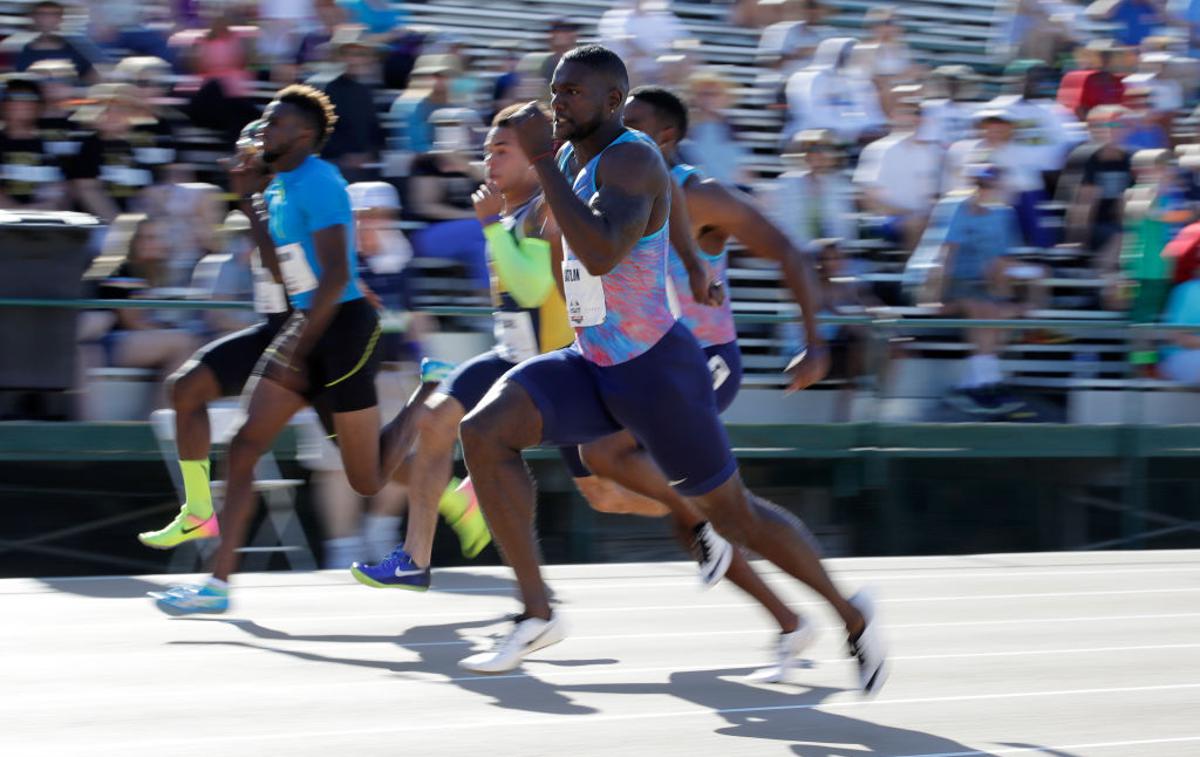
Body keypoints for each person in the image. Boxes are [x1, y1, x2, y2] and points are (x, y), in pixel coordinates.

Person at [452, 46, 887, 696]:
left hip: (658, 370)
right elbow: (604, 219)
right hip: (593, 358)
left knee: (736, 516)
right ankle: (538, 611)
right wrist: (687, 257)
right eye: (555, 89)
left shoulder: (628, 156)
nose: (558, 101)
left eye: (572, 92)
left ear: (610, 102)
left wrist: (541, 164)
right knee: (484, 431)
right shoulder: (575, 157)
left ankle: (851, 613)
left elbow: (600, 252)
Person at [574, 85, 855, 679]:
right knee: (680, 513)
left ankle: (710, 521)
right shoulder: (611, 187)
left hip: (704, 360)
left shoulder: (702, 194)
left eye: (635, 123)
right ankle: (790, 622)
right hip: (641, 360)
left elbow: (789, 253)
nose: (617, 131)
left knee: (606, 451)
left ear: (668, 135)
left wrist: (815, 342)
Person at [150, 85, 422, 614]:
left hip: (340, 329)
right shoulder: (277, 188)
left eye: (274, 124)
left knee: (365, 478)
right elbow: (282, 272)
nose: (262, 130)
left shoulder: (320, 181)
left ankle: (426, 405)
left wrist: (296, 343)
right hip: (304, 326)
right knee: (244, 445)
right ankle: (217, 585)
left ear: (303, 134)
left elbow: (338, 275)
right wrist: (249, 199)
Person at [349, 103, 577, 590]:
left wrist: (491, 227)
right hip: (511, 359)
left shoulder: (543, 209)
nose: (489, 160)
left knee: (610, 492)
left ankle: (707, 515)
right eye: (486, 150)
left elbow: (534, 289)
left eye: (501, 150)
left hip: (557, 369)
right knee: (433, 419)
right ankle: (415, 558)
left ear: (536, 158)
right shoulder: (511, 210)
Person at [912, 164, 1035, 416]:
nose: (985, 190)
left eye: (990, 184)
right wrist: (933, 296)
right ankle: (987, 383)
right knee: (985, 311)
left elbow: (1003, 261)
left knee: (993, 315)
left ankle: (975, 384)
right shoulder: (955, 206)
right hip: (941, 284)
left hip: (980, 287)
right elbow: (945, 257)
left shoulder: (1004, 214)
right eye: (981, 184)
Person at [854, 88, 944, 252]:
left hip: (925, 216)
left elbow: (936, 194)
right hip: (887, 217)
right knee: (917, 224)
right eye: (907, 112)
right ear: (895, 115)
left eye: (917, 113)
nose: (913, 118)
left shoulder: (933, 151)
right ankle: (916, 275)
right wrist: (908, 213)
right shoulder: (880, 149)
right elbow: (868, 199)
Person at [760, 128, 856, 251]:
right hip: (792, 255)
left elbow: (846, 232)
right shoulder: (781, 186)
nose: (821, 154)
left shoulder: (842, 186)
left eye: (827, 149)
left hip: (834, 259)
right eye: (813, 149)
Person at [312, 25, 386, 183]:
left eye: (361, 54)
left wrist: (370, 154)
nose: (355, 60)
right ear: (339, 56)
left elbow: (375, 132)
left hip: (364, 166)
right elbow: (317, 133)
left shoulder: (365, 90)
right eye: (349, 54)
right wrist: (346, 157)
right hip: (331, 166)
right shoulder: (323, 88)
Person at [0, 75, 64, 209]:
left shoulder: (50, 147)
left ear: (40, 106)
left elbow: (58, 194)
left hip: (43, 222)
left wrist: (34, 214)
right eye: (16, 97)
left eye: (31, 97)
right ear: (3, 105)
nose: (23, 103)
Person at [11, 0, 102, 84]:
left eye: (53, 15)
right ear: (34, 18)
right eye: (43, 15)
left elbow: (93, 77)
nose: (47, 20)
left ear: (60, 19)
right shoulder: (20, 49)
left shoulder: (75, 48)